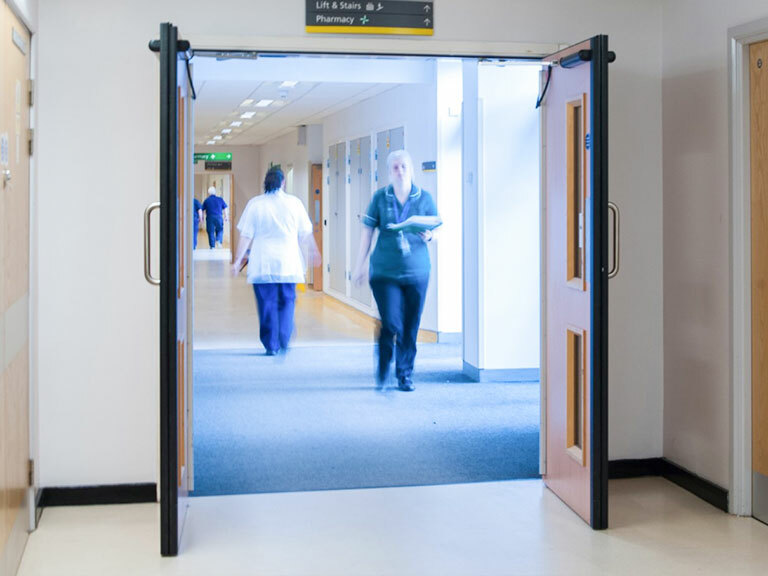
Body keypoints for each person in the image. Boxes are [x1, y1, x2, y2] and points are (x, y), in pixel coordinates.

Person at [352, 150, 441, 392]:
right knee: (391, 322)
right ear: (390, 172)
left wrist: (430, 235)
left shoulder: (424, 198)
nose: (399, 171)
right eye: (395, 168)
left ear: (410, 169)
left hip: (417, 273)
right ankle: (384, 363)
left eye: (403, 167)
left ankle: (404, 374)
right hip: (384, 273)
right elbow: (367, 232)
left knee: (411, 325)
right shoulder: (381, 197)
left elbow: (437, 229)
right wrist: (359, 265)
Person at [232, 167, 318, 356]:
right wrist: (314, 251)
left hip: (263, 263)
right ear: (283, 182)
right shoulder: (294, 203)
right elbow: (305, 233)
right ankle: (284, 338)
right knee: (287, 301)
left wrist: (238, 260)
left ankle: (271, 344)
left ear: (266, 182)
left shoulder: (256, 204)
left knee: (267, 303)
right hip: (288, 263)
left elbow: (246, 235)